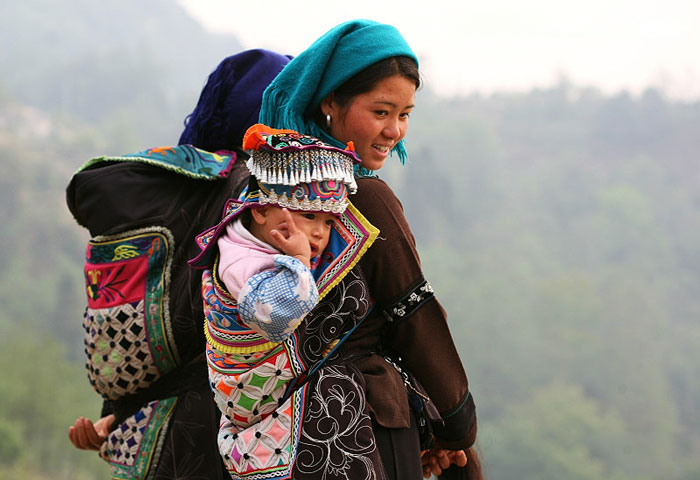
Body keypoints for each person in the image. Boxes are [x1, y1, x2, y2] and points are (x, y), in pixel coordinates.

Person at [256, 19, 483, 480]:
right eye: (381, 111)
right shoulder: (364, 195)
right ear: (331, 102)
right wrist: (457, 427)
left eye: (405, 114)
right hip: (357, 428)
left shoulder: (264, 184)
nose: (395, 130)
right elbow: (413, 315)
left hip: (270, 438)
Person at [66, 49, 291, 479]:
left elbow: (165, 313)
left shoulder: (177, 186)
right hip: (234, 437)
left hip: (152, 438)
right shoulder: (264, 196)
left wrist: (116, 411)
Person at [190, 124, 364, 477]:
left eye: (329, 222)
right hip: (247, 388)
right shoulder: (241, 262)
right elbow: (274, 318)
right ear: (259, 212)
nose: (319, 233)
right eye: (309, 216)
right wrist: (299, 262)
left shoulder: (259, 239)